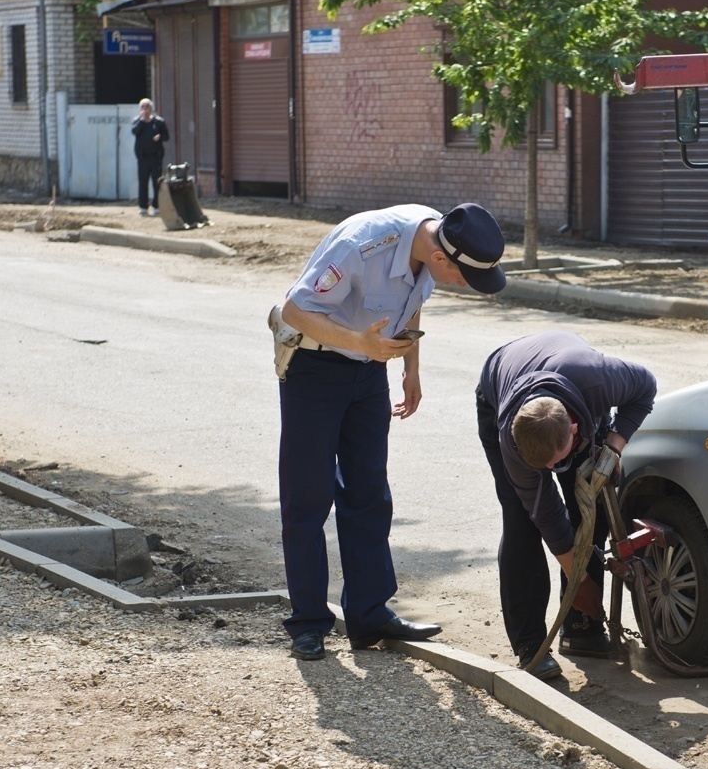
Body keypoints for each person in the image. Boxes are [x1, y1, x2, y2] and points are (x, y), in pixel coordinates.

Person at [277, 203, 507, 661]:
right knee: (309, 496)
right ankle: (308, 623)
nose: (463, 286)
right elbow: (295, 309)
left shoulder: (435, 232)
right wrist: (360, 342)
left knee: (369, 493)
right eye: (463, 279)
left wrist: (411, 367)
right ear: (442, 258)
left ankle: (368, 615)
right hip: (315, 367)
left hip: (368, 370)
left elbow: (413, 300)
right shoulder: (362, 245)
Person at [477, 331, 657, 681]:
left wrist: (613, 445)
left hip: (573, 385)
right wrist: (582, 583)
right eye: (540, 468)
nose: (547, 473)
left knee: (593, 507)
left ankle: (581, 630)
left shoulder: (599, 379)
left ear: (575, 430)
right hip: (498, 389)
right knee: (522, 523)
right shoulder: (512, 439)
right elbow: (546, 515)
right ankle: (531, 646)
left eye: (554, 463)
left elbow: (646, 387)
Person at [131, 99, 170, 216]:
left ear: (152, 108)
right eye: (143, 107)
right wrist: (142, 120)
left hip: (156, 157)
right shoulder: (137, 121)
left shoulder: (159, 122)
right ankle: (143, 206)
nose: (145, 109)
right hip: (142, 158)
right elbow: (134, 131)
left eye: (147, 106)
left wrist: (160, 137)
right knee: (143, 182)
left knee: (157, 182)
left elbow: (166, 136)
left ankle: (157, 206)